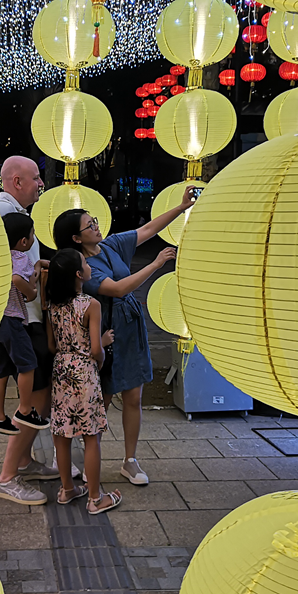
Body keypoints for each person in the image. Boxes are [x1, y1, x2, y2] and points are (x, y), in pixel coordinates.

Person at [53, 185, 196, 486]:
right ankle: (87, 456)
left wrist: (182, 207)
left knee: (133, 396)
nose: (96, 226)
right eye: (89, 225)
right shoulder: (82, 267)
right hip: (105, 332)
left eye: (94, 221)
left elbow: (148, 229)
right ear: (76, 238)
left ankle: (130, 460)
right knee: (99, 401)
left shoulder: (110, 245)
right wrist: (156, 264)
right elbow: (117, 289)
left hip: (130, 327)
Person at [0, 156, 63, 506]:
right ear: (17, 181)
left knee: (39, 393)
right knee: (36, 398)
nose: (41, 183)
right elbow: (3, 271)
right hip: (21, 320)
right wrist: (30, 282)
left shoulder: (12, 214)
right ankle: (7, 477)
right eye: (36, 178)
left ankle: (22, 462)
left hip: (21, 318)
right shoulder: (3, 216)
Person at [46, 249, 120, 514]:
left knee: (62, 433)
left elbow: (52, 345)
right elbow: (96, 349)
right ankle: (96, 498)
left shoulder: (52, 305)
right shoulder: (91, 305)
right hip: (85, 370)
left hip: (61, 370)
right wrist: (100, 357)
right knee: (91, 435)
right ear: (79, 275)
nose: (89, 266)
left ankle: (67, 490)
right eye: (86, 263)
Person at [0, 213, 50, 434]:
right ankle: (25, 409)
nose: (33, 238)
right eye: (33, 234)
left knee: (0, 372)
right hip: (12, 320)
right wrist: (31, 292)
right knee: (28, 365)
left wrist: (37, 266)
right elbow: (22, 283)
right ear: (24, 241)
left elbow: (25, 277)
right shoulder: (20, 258)